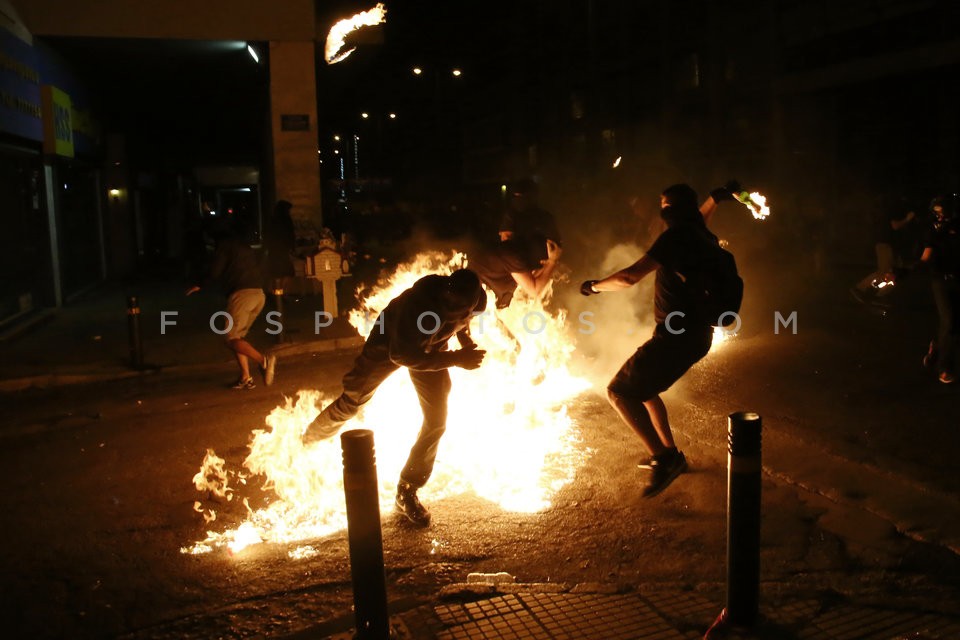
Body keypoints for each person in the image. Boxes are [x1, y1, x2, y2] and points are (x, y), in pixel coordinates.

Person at [579, 181, 739, 497]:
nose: (661, 210)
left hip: (677, 337)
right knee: (646, 390)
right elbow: (695, 220)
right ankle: (672, 454)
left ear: (671, 211)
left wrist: (594, 286)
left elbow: (628, 277)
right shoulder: (702, 237)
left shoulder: (676, 238)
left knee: (620, 392)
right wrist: (714, 200)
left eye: (664, 205)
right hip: (696, 335)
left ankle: (664, 459)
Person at [302, 269, 487, 526]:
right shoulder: (418, 305)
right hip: (390, 345)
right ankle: (309, 439)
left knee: (437, 420)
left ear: (473, 301)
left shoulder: (477, 301)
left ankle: (407, 489)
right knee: (352, 402)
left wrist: (465, 341)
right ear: (445, 289)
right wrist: (455, 359)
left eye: (461, 308)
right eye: (449, 303)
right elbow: (401, 356)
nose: (453, 310)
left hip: (433, 348)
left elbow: (462, 324)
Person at [186, 219, 277, 390]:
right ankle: (246, 377)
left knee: (230, 338)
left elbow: (215, 271)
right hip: (258, 294)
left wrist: (200, 284)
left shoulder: (224, 246)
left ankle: (264, 361)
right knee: (237, 338)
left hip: (242, 295)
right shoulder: (243, 245)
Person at [471, 179, 563, 309]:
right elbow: (534, 291)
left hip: (496, 296)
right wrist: (552, 262)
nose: (504, 237)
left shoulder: (542, 220)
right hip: (475, 301)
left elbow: (533, 278)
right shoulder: (512, 253)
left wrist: (549, 264)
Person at [898, 194, 960, 384]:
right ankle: (944, 368)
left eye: (943, 214)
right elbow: (926, 258)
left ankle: (936, 348)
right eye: (937, 214)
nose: (940, 218)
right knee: (949, 322)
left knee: (953, 325)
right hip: (940, 280)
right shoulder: (933, 232)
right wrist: (906, 271)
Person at [850, 195, 917, 305]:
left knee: (893, 273)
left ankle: (879, 296)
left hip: (890, 245)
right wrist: (908, 219)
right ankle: (862, 289)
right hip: (886, 244)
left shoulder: (889, 209)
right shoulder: (894, 209)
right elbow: (895, 226)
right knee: (885, 272)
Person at [263, 199, 297, 292]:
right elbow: (290, 235)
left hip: (274, 250)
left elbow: (267, 234)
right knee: (287, 273)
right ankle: (284, 292)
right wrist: (292, 248)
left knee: (275, 273)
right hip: (283, 250)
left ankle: (275, 292)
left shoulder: (272, 220)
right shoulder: (286, 220)